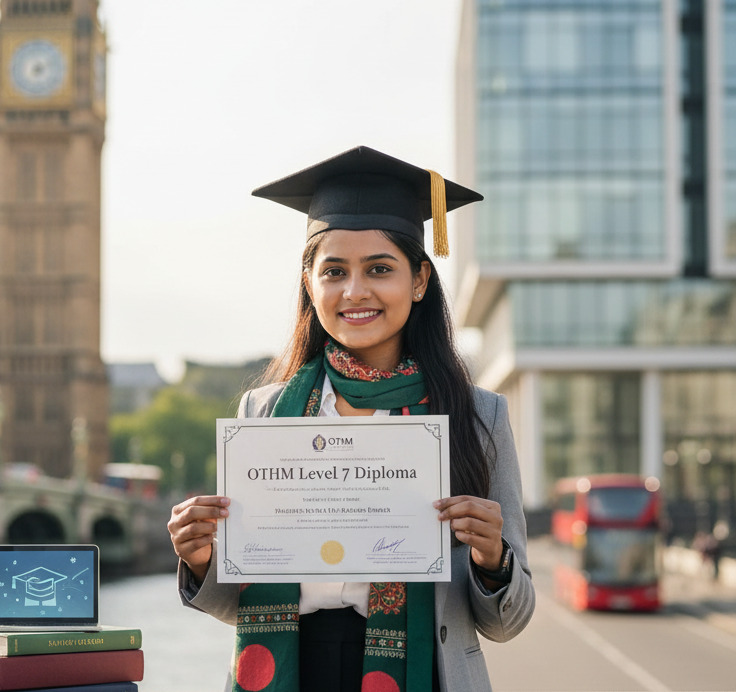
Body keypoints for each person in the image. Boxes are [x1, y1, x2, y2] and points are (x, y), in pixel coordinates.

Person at [167, 146, 535, 692]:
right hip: (290, 671)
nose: (354, 291)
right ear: (310, 284)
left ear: (418, 281)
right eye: (334, 271)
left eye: (380, 269)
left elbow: (508, 621)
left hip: (421, 673)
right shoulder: (264, 414)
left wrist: (491, 557)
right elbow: (236, 606)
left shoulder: (477, 415)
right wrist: (201, 560)